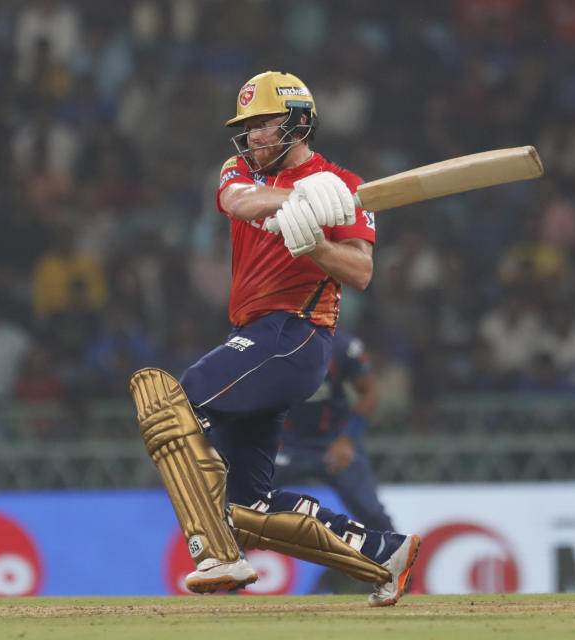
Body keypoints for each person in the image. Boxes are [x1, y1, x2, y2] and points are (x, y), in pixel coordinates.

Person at [130, 71, 418, 606]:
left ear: (299, 122)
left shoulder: (345, 185)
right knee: (251, 506)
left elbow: (359, 272)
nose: (253, 137)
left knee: (175, 403)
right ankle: (383, 552)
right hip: (257, 339)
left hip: (297, 336)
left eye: (263, 124)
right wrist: (295, 197)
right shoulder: (242, 170)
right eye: (248, 126)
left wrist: (314, 246)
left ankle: (214, 552)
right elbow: (239, 203)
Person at [275, 329, 394, 534]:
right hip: (286, 443)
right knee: (237, 502)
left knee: (372, 513)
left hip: (334, 443)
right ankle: (228, 562)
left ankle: (397, 561)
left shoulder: (342, 346)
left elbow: (369, 392)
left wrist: (347, 439)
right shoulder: (267, 346)